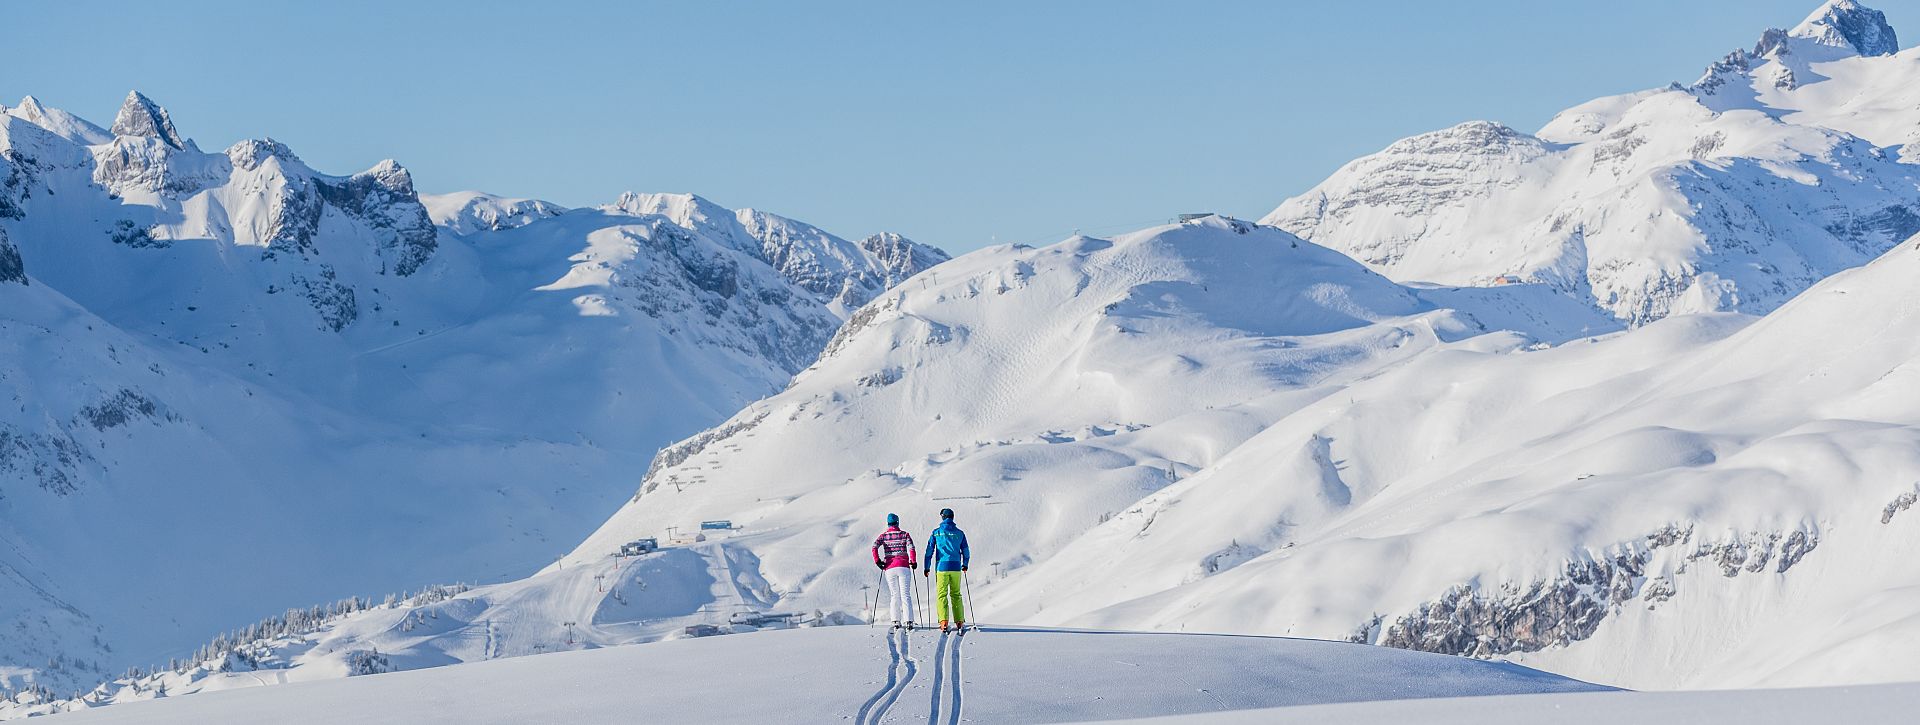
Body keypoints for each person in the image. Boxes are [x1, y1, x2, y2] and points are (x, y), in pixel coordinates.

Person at [922, 508, 970, 632]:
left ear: (942, 517)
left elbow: (929, 551)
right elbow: (966, 551)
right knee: (956, 594)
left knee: (941, 594)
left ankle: (943, 622)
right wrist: (965, 564)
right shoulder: (960, 533)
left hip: (941, 568)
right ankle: (959, 621)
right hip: (956, 567)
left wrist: (926, 567)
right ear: (953, 517)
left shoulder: (936, 533)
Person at [871, 513, 917, 629]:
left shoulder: (884, 536)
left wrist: (877, 561)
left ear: (888, 523)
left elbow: (874, 546)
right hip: (903, 566)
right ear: (898, 522)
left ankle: (895, 620)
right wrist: (913, 561)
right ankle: (909, 621)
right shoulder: (905, 535)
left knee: (894, 594)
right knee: (905, 594)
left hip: (889, 567)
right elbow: (911, 548)